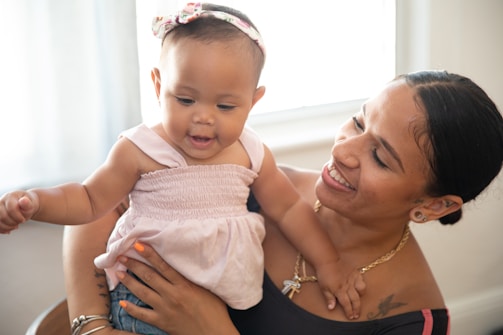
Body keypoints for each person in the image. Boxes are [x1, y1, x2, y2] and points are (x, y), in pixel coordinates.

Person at [0, 3, 364, 334]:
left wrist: (328, 263)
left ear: (253, 101)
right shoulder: (139, 149)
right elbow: (88, 198)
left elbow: (288, 209)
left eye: (225, 106)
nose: (203, 118)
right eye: (186, 99)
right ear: (159, 85)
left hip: (224, 305)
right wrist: (35, 202)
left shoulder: (251, 152)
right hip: (147, 302)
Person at [63, 69, 503, 335]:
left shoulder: (412, 320)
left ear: (436, 205)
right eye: (357, 121)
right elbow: (98, 202)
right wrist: (91, 325)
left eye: (380, 158)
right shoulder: (251, 183)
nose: (343, 151)